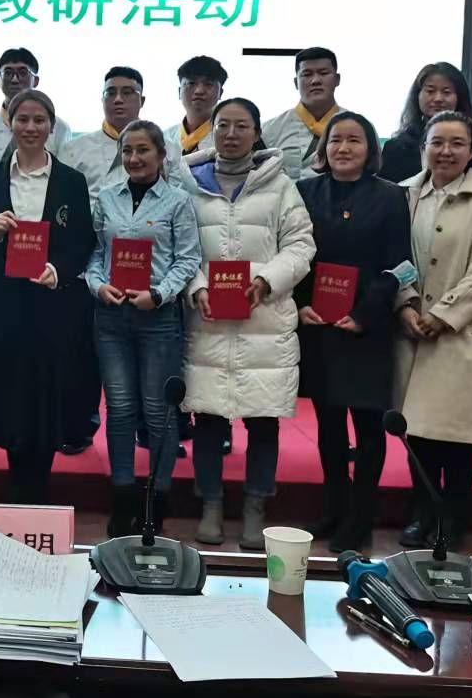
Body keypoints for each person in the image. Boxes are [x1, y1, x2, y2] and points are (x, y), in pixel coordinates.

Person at [184, 98, 316, 550]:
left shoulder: (280, 185)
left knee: (263, 422)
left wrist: (267, 280)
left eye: (242, 126)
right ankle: (211, 505)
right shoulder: (188, 183)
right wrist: (197, 286)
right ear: (212, 131)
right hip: (207, 320)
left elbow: (301, 244)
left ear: (257, 133)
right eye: (223, 125)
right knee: (208, 419)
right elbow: (179, 245)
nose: (231, 134)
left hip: (265, 320)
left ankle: (256, 506)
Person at [0, 90, 94, 504]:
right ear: (10, 124)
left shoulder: (71, 181)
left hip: (52, 304)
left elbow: (83, 241)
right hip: (4, 304)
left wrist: (59, 270)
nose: (31, 127)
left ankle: (38, 485)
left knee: (46, 393)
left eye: (40, 120)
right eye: (23, 119)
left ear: (51, 126)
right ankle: (18, 482)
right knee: (10, 394)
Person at [392, 110, 472, 548]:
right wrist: (406, 304)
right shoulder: (402, 194)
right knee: (418, 432)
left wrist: (442, 314)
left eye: (457, 143)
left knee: (456, 437)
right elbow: (392, 255)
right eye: (437, 142)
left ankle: (452, 518)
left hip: (461, 332)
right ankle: (422, 512)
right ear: (423, 146)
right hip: (410, 330)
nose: (446, 151)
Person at [295, 111, 410, 553]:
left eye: (354, 140)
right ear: (323, 148)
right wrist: (300, 304)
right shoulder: (305, 192)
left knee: (368, 428)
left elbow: (400, 265)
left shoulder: (391, 196)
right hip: (319, 325)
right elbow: (295, 254)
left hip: (367, 328)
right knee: (328, 425)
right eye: (335, 140)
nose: (343, 148)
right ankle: (334, 507)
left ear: (370, 149)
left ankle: (361, 518)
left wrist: (365, 313)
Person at [85, 121, 203, 536]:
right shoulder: (106, 197)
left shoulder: (178, 202)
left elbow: (188, 259)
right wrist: (98, 286)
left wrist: (160, 293)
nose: (134, 158)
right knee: (119, 409)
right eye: (127, 151)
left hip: (158, 318)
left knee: (157, 412)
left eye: (142, 150)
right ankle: (121, 498)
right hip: (111, 317)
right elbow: (95, 255)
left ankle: (157, 499)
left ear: (161, 155)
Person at [61, 66, 195, 202]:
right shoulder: (73, 150)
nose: (118, 99)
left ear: (142, 101)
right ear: (102, 100)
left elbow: (178, 200)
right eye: (110, 93)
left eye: (127, 92)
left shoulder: (168, 149)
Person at [0, 47, 71, 210]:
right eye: (8, 73)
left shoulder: (59, 126)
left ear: (36, 81)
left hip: (43, 206)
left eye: (23, 73)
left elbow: (64, 176)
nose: (15, 79)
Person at [380, 62, 472, 184]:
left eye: (446, 92)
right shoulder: (395, 148)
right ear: (417, 95)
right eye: (430, 91)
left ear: (460, 97)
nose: (438, 98)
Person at [263, 47, 346, 179]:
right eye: (307, 74)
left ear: (337, 79)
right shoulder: (270, 130)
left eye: (323, 73)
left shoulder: (359, 127)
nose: (315, 80)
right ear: (296, 83)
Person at [166, 55, 227, 158]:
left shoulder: (229, 138)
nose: (199, 91)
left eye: (208, 84)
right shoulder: (163, 139)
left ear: (220, 93)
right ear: (179, 91)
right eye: (191, 83)